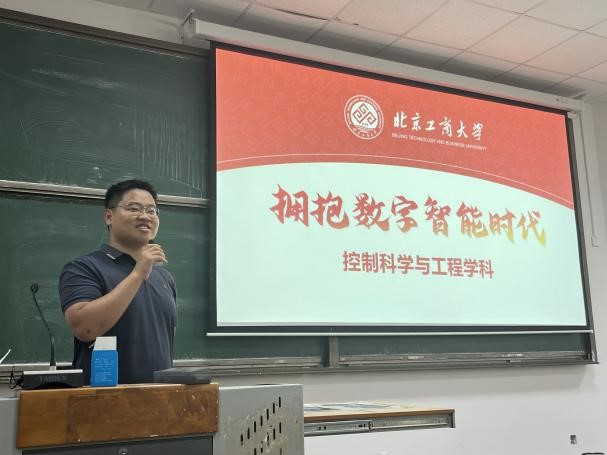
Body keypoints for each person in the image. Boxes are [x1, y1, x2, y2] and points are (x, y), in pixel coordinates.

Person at [59, 179, 176, 384]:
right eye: (134, 208)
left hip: (161, 395)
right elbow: (85, 328)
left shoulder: (164, 277)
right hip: (102, 397)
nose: (145, 216)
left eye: (151, 210)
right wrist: (138, 274)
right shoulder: (84, 267)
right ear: (109, 216)